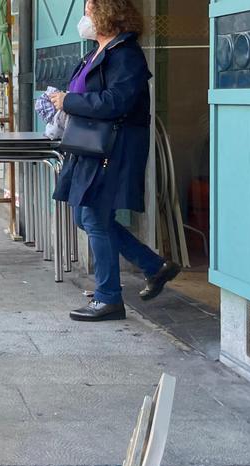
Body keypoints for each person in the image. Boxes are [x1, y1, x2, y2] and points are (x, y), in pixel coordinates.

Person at [47, 0, 178, 322]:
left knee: (93, 217)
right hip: (90, 147)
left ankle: (109, 298)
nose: (85, 16)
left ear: (107, 14)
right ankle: (153, 266)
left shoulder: (126, 54)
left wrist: (70, 100)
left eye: (90, 10)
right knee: (85, 216)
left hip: (112, 148)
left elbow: (117, 101)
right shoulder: (95, 53)